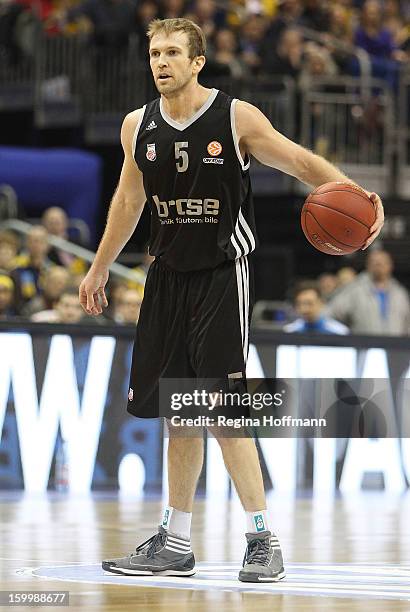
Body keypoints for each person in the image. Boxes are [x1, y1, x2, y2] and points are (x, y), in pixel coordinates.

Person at [79, 17, 384, 583]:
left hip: (222, 271)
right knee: (179, 410)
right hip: (166, 276)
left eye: (172, 52)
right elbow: (128, 198)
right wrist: (98, 268)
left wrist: (358, 195)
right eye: (154, 53)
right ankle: (174, 539)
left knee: (224, 409)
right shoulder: (135, 127)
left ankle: (262, 538)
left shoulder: (234, 116)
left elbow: (300, 163)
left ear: (198, 62)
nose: (160, 62)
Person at [326, 250, 410, 335]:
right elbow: (329, 314)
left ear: (391, 265)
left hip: (395, 346)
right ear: (368, 265)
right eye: (375, 263)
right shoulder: (354, 289)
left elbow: (407, 325)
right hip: (363, 345)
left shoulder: (400, 293)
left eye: (383, 262)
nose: (379, 266)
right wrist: (344, 336)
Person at [284, 281, 349, 334]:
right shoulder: (289, 332)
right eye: (300, 304)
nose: (304, 309)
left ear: (320, 303)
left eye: (309, 303)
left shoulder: (340, 332)